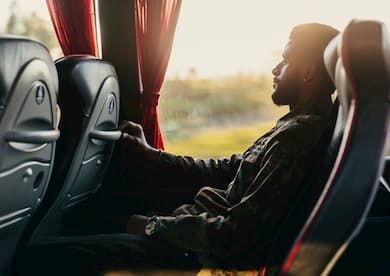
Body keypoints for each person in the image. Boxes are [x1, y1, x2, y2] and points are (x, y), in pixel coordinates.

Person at [18, 23, 339, 275]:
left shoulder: (297, 139)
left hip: (192, 253)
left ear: (309, 72)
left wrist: (149, 226)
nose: (275, 70)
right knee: (94, 213)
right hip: (190, 230)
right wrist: (152, 156)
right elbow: (227, 170)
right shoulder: (296, 126)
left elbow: (236, 236)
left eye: (285, 61)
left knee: (39, 258)